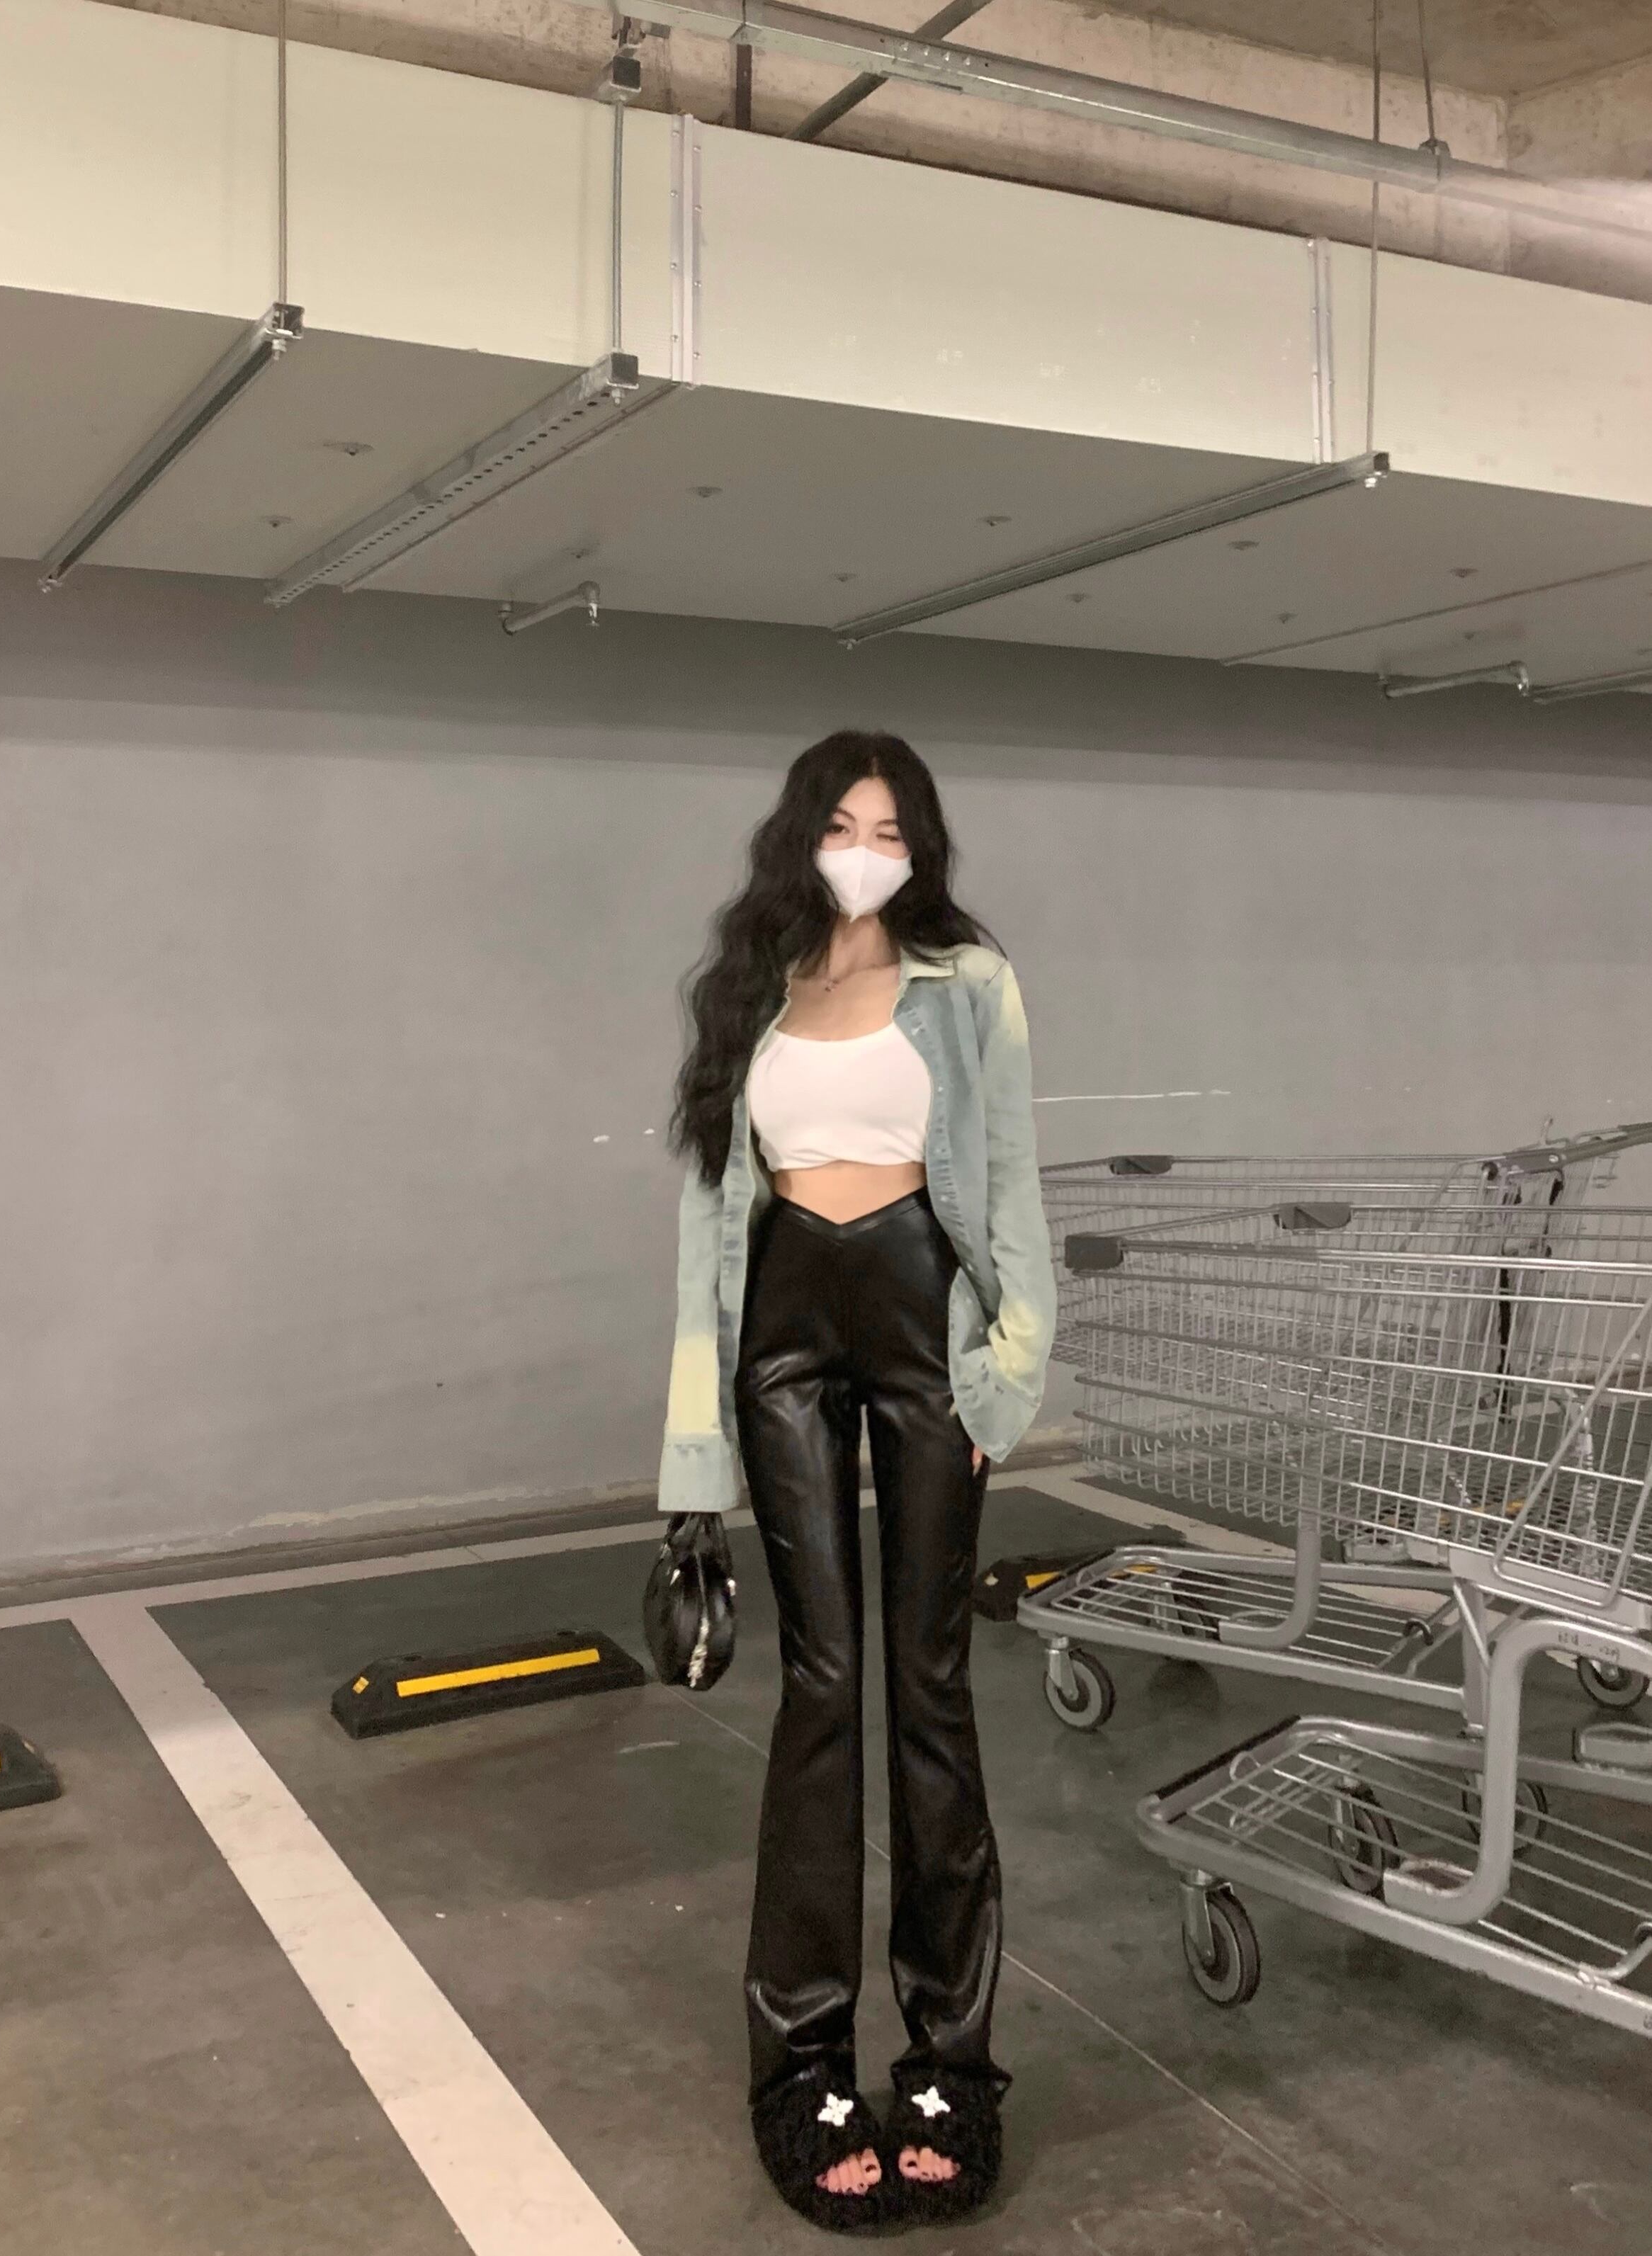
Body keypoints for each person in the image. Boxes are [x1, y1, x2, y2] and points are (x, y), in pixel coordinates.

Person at [660, 730, 1055, 2231]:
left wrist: (1007, 1374)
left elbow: (1009, 1180)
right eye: (843, 824)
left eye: (891, 830)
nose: (866, 850)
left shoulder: (970, 983)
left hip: (922, 1316)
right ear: (800, 834)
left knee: (928, 1687)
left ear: (920, 844)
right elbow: (708, 1231)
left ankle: (950, 2064)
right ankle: (804, 2066)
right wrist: (692, 1445)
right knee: (819, 1691)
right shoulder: (746, 991)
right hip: (778, 1330)